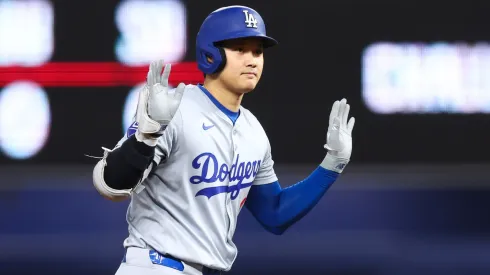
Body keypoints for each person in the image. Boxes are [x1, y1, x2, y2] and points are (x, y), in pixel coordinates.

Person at [92, 5, 355, 275]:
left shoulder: (253, 130)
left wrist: (331, 165)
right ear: (210, 54)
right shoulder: (174, 109)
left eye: (258, 51)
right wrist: (146, 136)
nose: (252, 60)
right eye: (240, 49)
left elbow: (275, 214)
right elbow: (110, 185)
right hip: (156, 266)